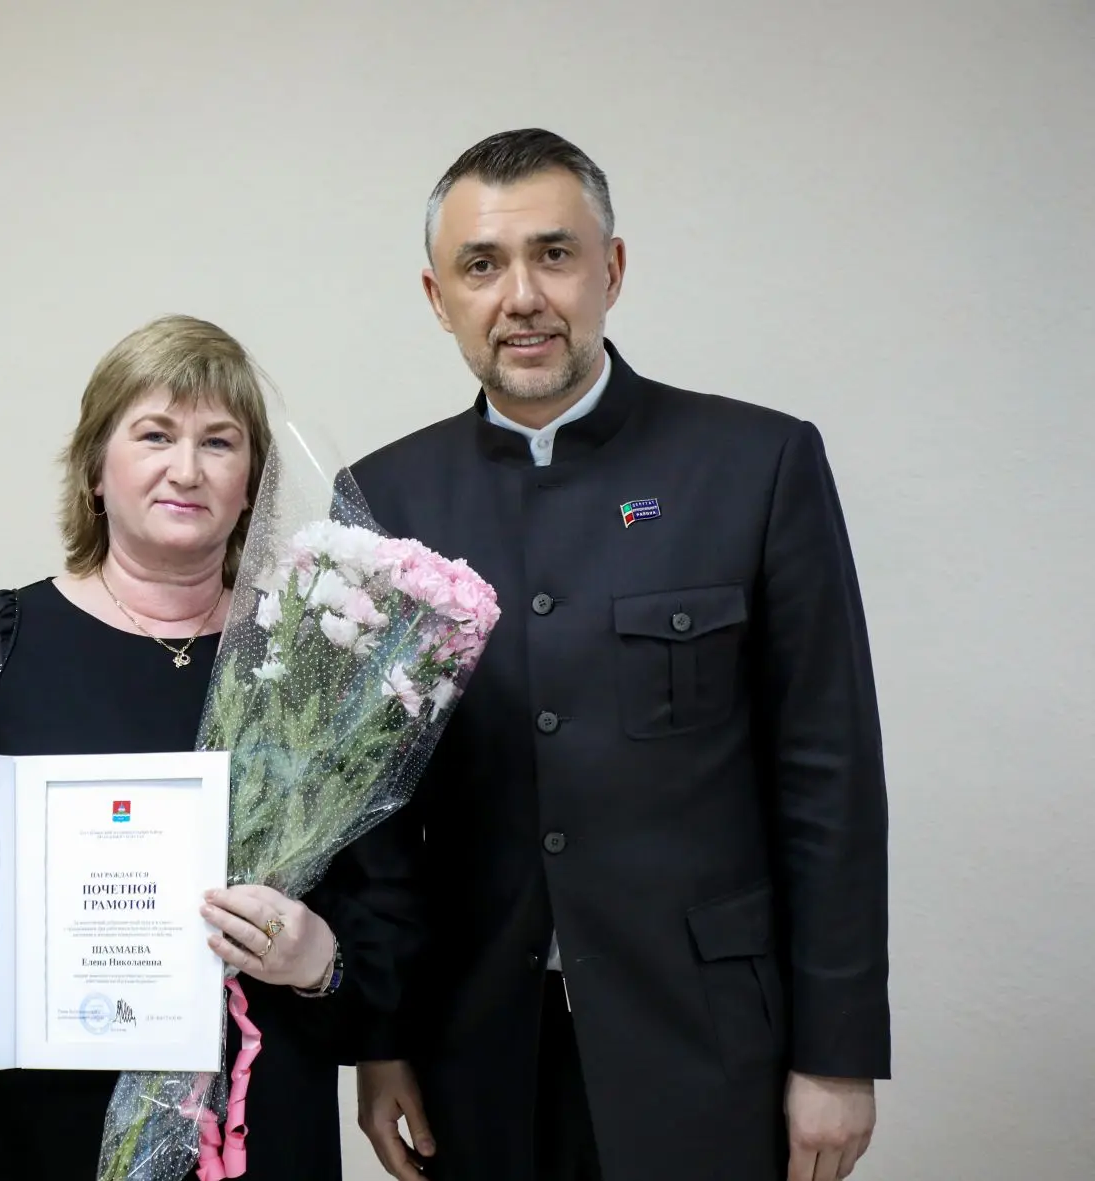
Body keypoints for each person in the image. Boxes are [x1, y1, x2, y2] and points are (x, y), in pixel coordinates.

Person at [348, 130, 892, 1181]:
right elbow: (374, 813)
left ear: (612, 267)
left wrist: (837, 1051)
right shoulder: (383, 500)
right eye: (480, 265)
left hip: (708, 1040)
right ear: (437, 296)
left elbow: (827, 777)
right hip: (475, 1048)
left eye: (553, 254)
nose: (521, 297)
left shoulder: (756, 463)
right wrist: (383, 1037)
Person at [0, 314, 410, 1181]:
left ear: (252, 484)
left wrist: (315, 956)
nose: (187, 468)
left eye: (219, 441)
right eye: (155, 434)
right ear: (96, 469)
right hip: (25, 1135)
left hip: (247, 1134)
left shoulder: (311, 666)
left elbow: (389, 926)